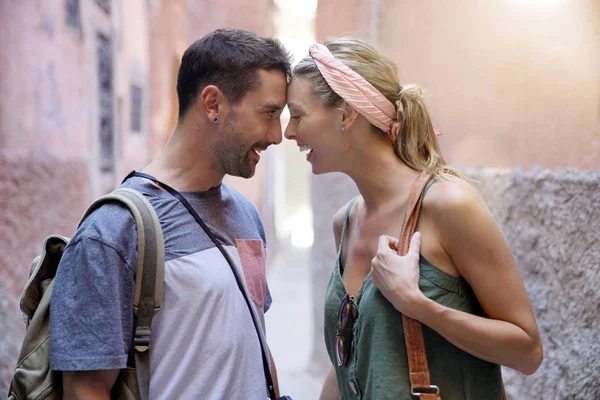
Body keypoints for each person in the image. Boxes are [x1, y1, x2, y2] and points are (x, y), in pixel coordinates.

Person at [285, 38, 543, 399]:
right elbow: (349, 365)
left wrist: (416, 304)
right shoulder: (344, 223)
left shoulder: (448, 205)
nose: (288, 132)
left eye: (297, 115)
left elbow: (527, 351)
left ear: (346, 114)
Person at [50, 28, 292, 399]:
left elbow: (253, 338)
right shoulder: (114, 230)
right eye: (269, 113)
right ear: (213, 104)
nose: (277, 135)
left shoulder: (246, 214)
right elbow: (87, 390)